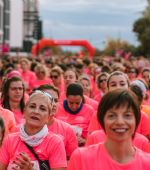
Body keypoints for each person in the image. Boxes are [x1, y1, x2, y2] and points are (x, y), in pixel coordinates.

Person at [68, 89, 150, 170]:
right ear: (102, 120)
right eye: (112, 116)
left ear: (136, 120)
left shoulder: (147, 163)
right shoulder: (81, 158)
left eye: (127, 115)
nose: (120, 122)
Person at [0, 90, 67, 170]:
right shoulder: (9, 140)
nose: (36, 112)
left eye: (42, 109)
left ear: (48, 117)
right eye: (32, 106)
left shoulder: (55, 142)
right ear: (24, 112)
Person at [35, 84, 78, 159]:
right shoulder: (23, 129)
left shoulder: (67, 129)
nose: (54, 104)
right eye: (49, 99)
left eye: (56, 100)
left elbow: (73, 160)